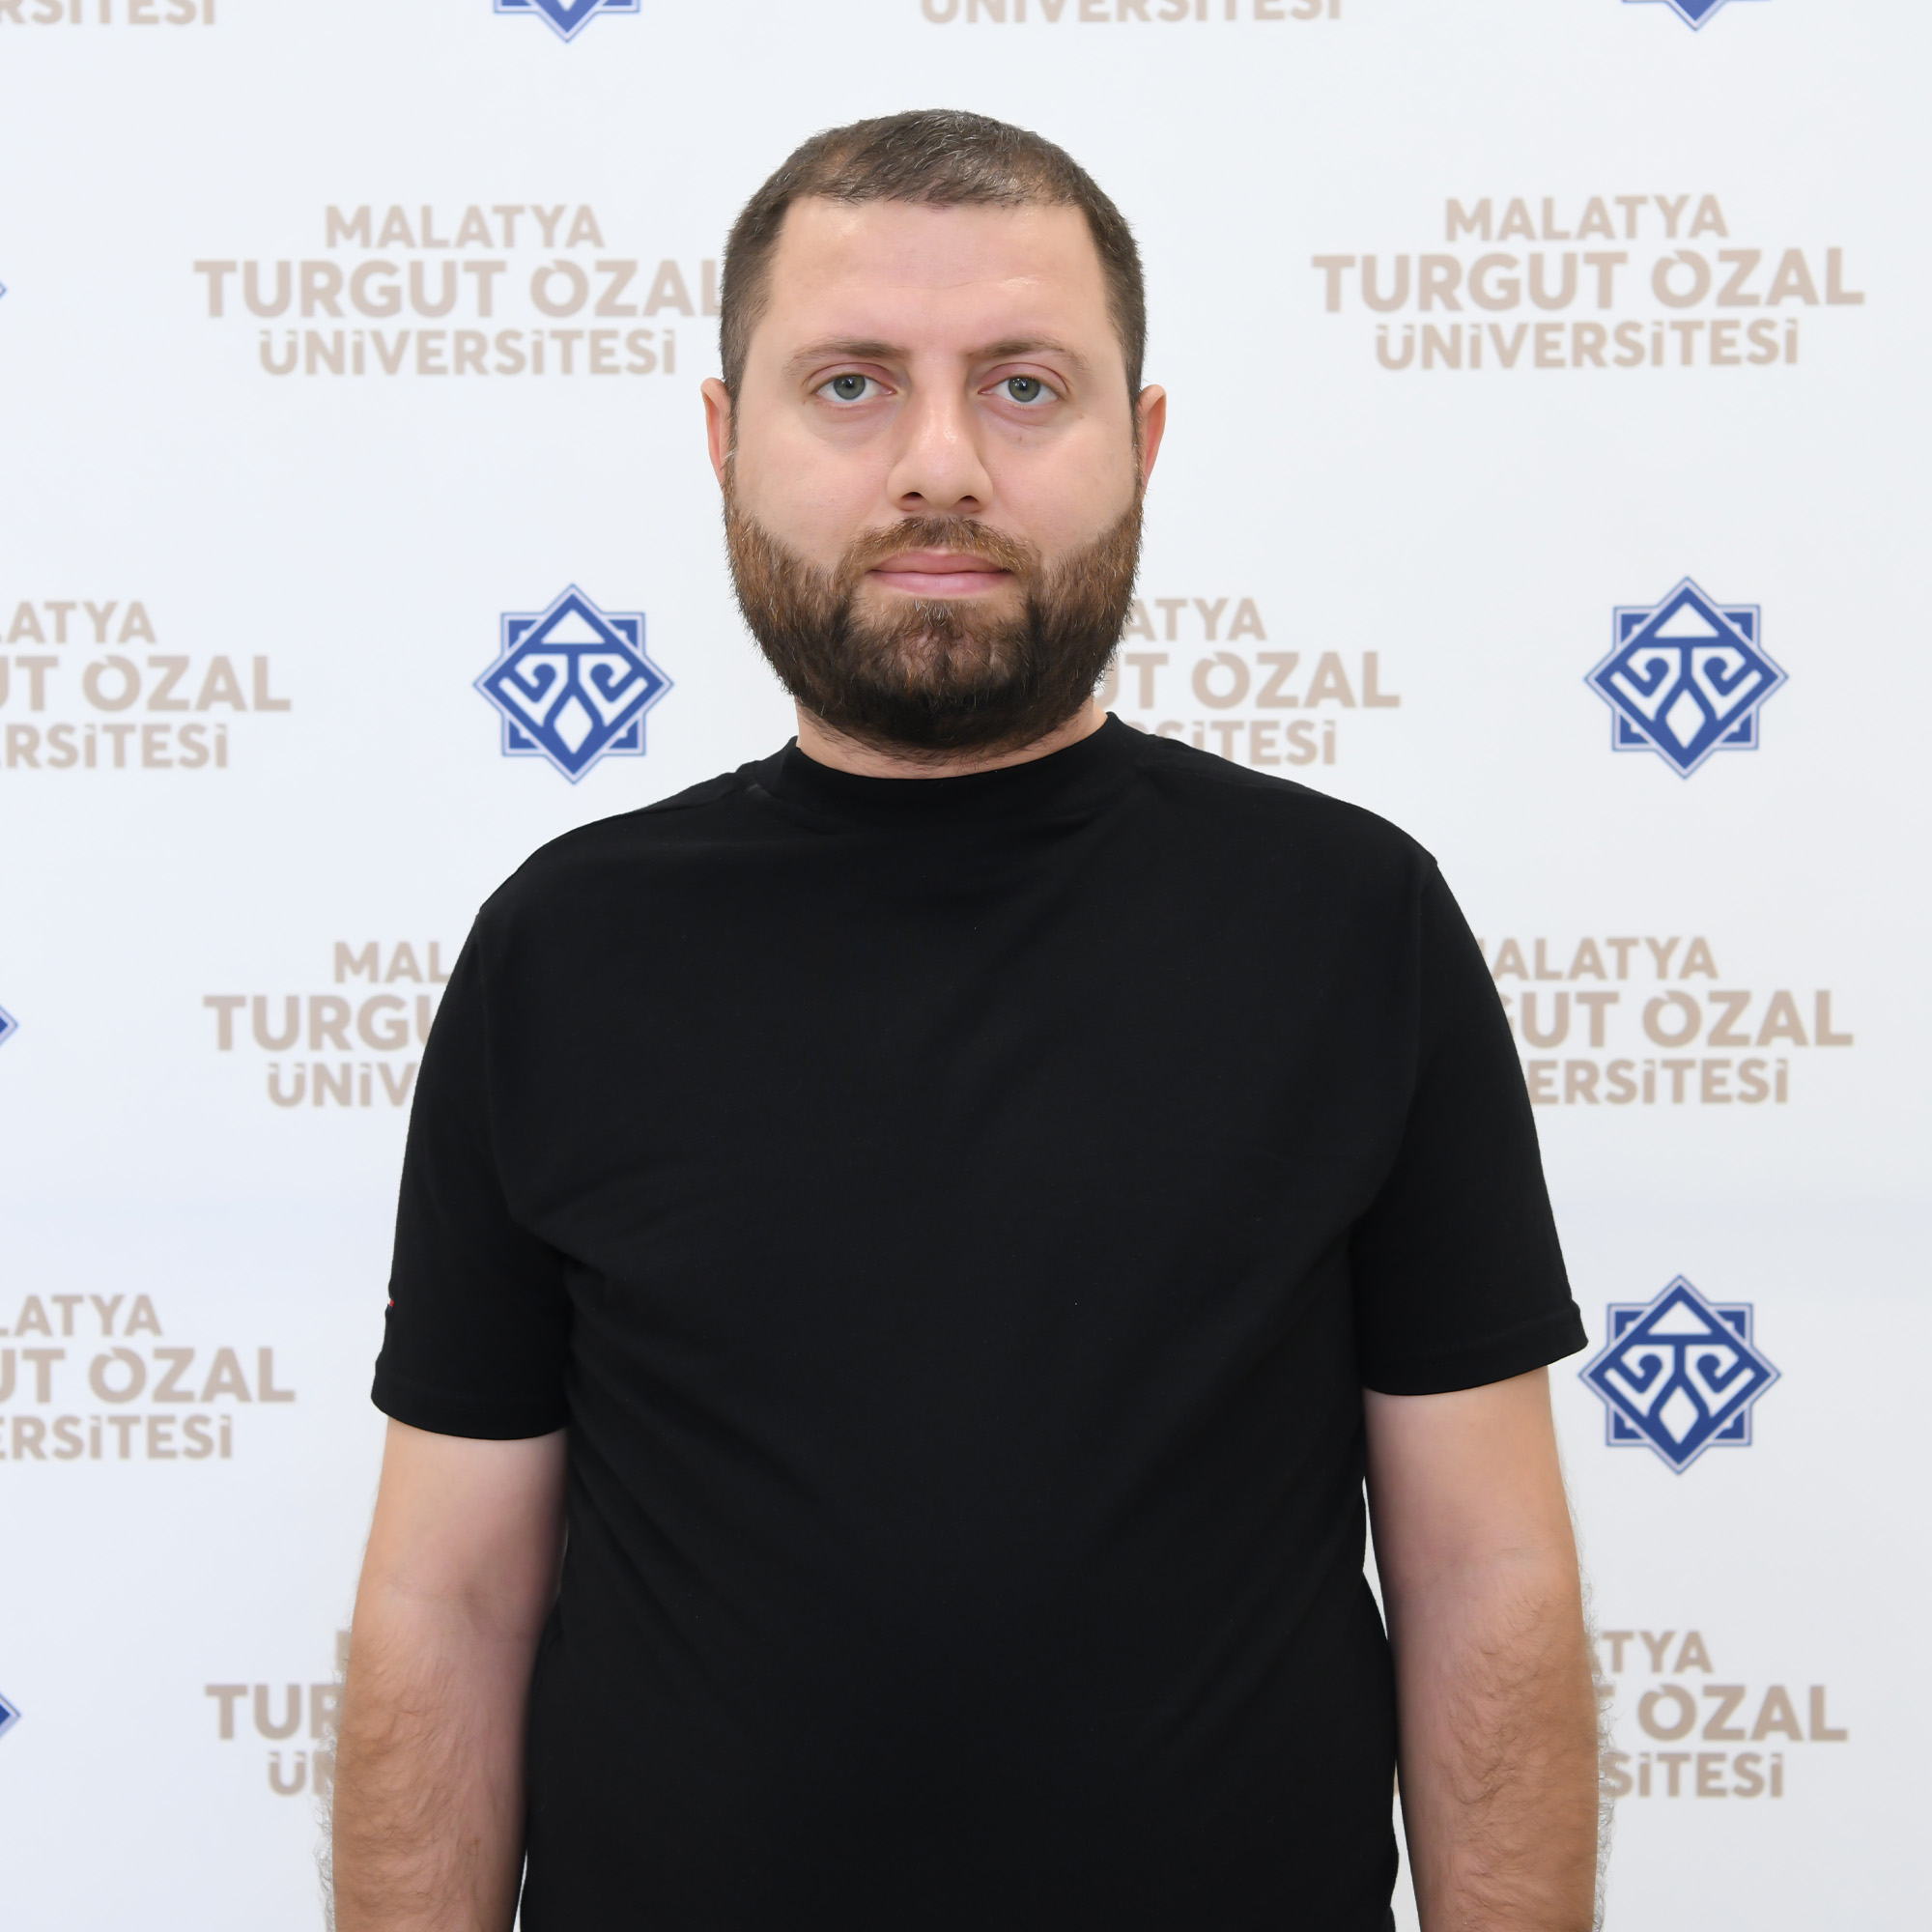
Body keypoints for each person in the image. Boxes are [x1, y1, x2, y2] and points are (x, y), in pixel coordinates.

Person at [331, 109, 1599, 1932]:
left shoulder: (1355, 926)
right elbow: (444, 1604)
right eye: (851, 386)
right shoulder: (561, 950)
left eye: (1023, 387)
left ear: (1142, 442)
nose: (941, 465)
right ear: (726, 440)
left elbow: (1488, 1578)